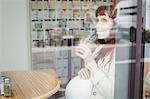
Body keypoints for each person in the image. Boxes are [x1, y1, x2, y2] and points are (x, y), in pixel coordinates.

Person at [65, 5, 116, 99]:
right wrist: (85, 71)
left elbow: (112, 94)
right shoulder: (101, 47)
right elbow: (95, 72)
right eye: (97, 20)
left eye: (104, 20)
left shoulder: (120, 53)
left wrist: (90, 62)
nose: (97, 26)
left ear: (116, 25)